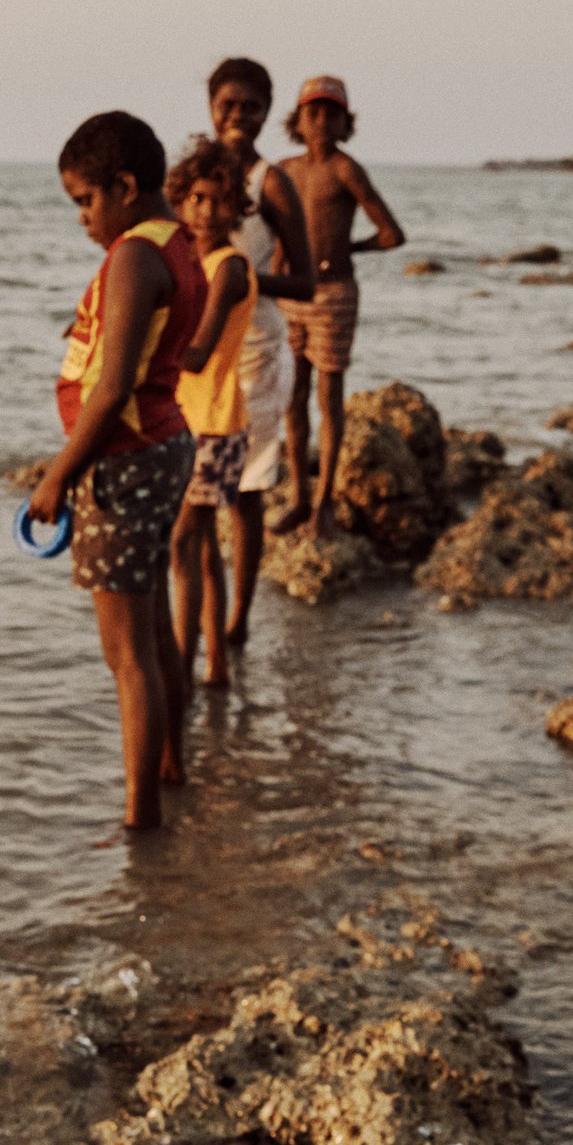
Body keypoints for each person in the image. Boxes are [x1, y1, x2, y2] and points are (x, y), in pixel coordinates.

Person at [28, 111, 206, 834]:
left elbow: (113, 387)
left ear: (125, 187)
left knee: (126, 654)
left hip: (125, 459)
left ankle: (142, 820)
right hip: (162, 447)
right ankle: (170, 767)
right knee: (155, 628)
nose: (81, 219)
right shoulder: (178, 244)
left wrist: (57, 475)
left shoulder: (135, 255)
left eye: (85, 200)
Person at [204, 57, 316, 639]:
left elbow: (305, 283)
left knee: (245, 494)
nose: (239, 116)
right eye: (228, 104)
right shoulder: (198, 178)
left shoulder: (270, 182)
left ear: (268, 112)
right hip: (200, 356)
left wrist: (241, 280)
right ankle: (197, 621)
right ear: (210, 107)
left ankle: (238, 621)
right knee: (194, 497)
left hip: (255, 355)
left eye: (251, 106)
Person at [273, 74, 404, 537]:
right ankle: (297, 499)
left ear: (345, 122)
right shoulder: (285, 171)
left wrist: (353, 250)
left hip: (333, 294)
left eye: (332, 113)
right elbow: (276, 238)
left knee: (328, 399)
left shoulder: (346, 170)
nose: (322, 120)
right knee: (292, 397)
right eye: (314, 112)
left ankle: (323, 504)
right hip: (292, 294)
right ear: (298, 120)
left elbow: (392, 234)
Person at [165, 138, 256, 693]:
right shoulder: (184, 262)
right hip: (186, 418)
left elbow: (197, 352)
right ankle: (215, 665)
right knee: (200, 548)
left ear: (238, 210)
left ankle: (182, 662)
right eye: (197, 198)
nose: (206, 211)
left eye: (220, 202)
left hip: (215, 423)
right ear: (179, 201)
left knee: (184, 543)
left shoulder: (229, 268)